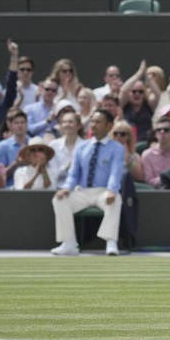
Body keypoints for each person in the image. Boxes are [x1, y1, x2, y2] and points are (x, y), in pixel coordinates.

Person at [51, 109, 125, 256]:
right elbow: (73, 174)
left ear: (109, 126)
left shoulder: (117, 148)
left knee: (116, 199)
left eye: (98, 122)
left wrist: (111, 190)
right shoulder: (81, 147)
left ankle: (111, 242)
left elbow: (115, 173)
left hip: (103, 191)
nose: (93, 125)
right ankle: (69, 243)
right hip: (82, 191)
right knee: (59, 199)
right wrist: (66, 188)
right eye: (92, 121)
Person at [120, 60, 159, 142]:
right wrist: (139, 73)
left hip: (146, 143)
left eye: (140, 92)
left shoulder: (148, 105)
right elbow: (123, 90)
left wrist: (146, 76)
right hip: (129, 143)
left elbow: (157, 94)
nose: (137, 94)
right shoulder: (124, 105)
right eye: (134, 91)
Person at [48, 111, 87, 187]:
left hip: (79, 190)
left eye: (70, 122)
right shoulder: (54, 145)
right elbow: (53, 174)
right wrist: (66, 168)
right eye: (64, 122)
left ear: (78, 126)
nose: (67, 125)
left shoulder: (86, 146)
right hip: (58, 189)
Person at [141, 117, 170, 188]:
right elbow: (148, 181)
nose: (162, 132)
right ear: (155, 134)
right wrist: (166, 179)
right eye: (158, 130)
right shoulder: (147, 155)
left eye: (166, 130)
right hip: (156, 194)